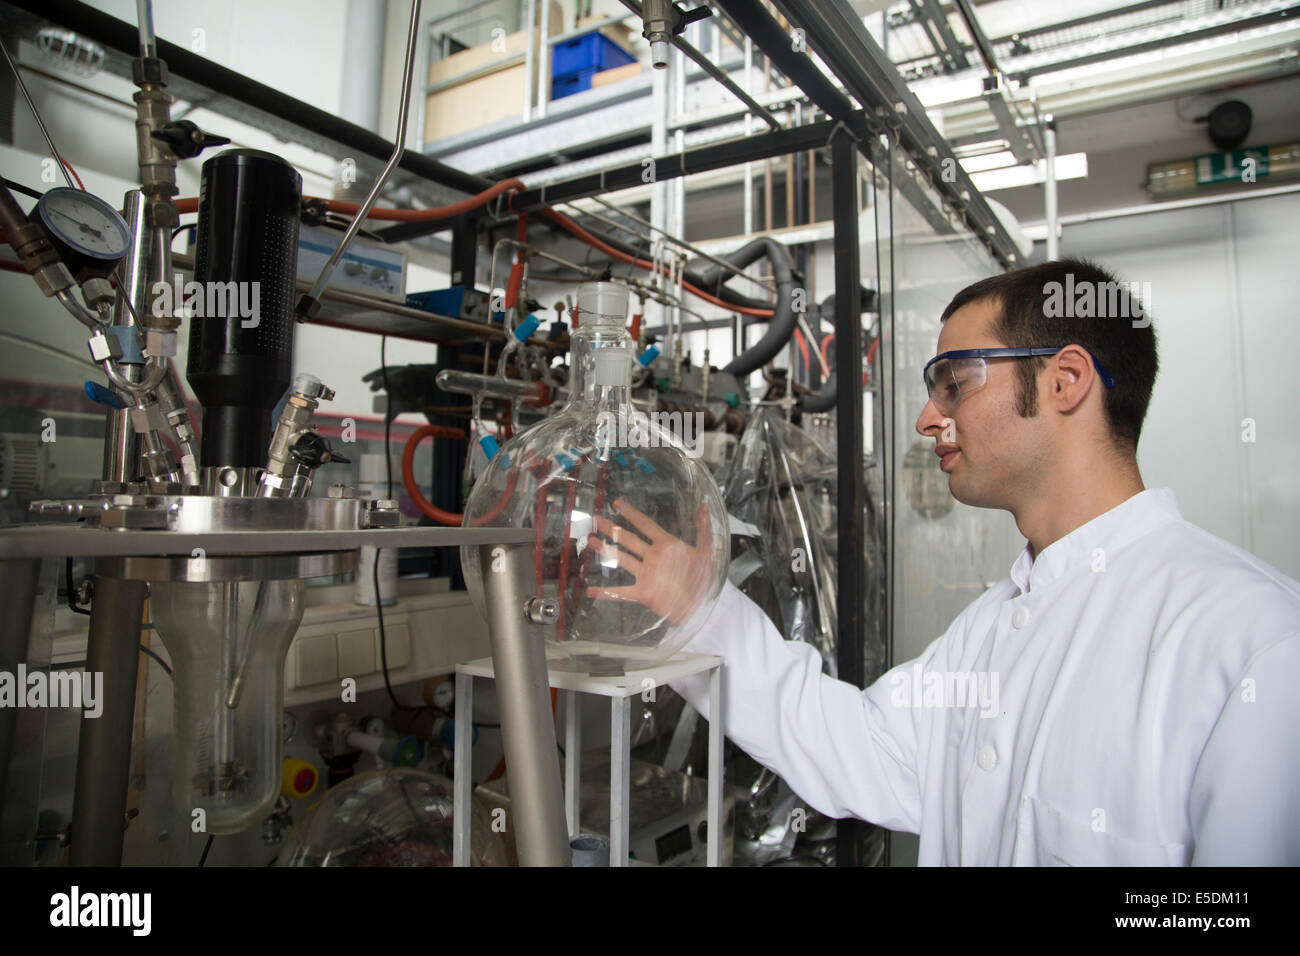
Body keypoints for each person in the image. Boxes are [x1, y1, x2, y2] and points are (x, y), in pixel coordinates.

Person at [588, 257, 1300, 865]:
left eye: (955, 382)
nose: (929, 419)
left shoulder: (1253, 641)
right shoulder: (996, 624)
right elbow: (864, 752)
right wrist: (700, 609)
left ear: (1065, 381)